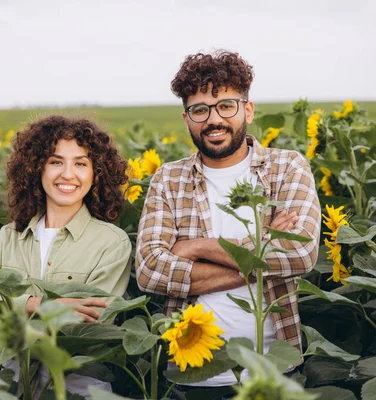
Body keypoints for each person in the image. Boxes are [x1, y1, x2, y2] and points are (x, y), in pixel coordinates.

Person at [135, 51, 321, 390]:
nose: (213, 119)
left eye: (226, 106)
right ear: (186, 118)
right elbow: (149, 270)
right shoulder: (168, 179)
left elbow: (301, 253)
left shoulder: (287, 167)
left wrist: (195, 247)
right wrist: (262, 243)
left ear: (247, 109)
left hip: (274, 371)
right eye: (200, 109)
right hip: (191, 373)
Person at [0, 115, 131, 398]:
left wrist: (14, 306)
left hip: (78, 387)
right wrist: (41, 305)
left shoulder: (111, 243)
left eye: (80, 163)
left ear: (96, 173)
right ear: (36, 168)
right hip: (11, 383)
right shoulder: (8, 236)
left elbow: (93, 323)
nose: (68, 174)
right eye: (55, 162)